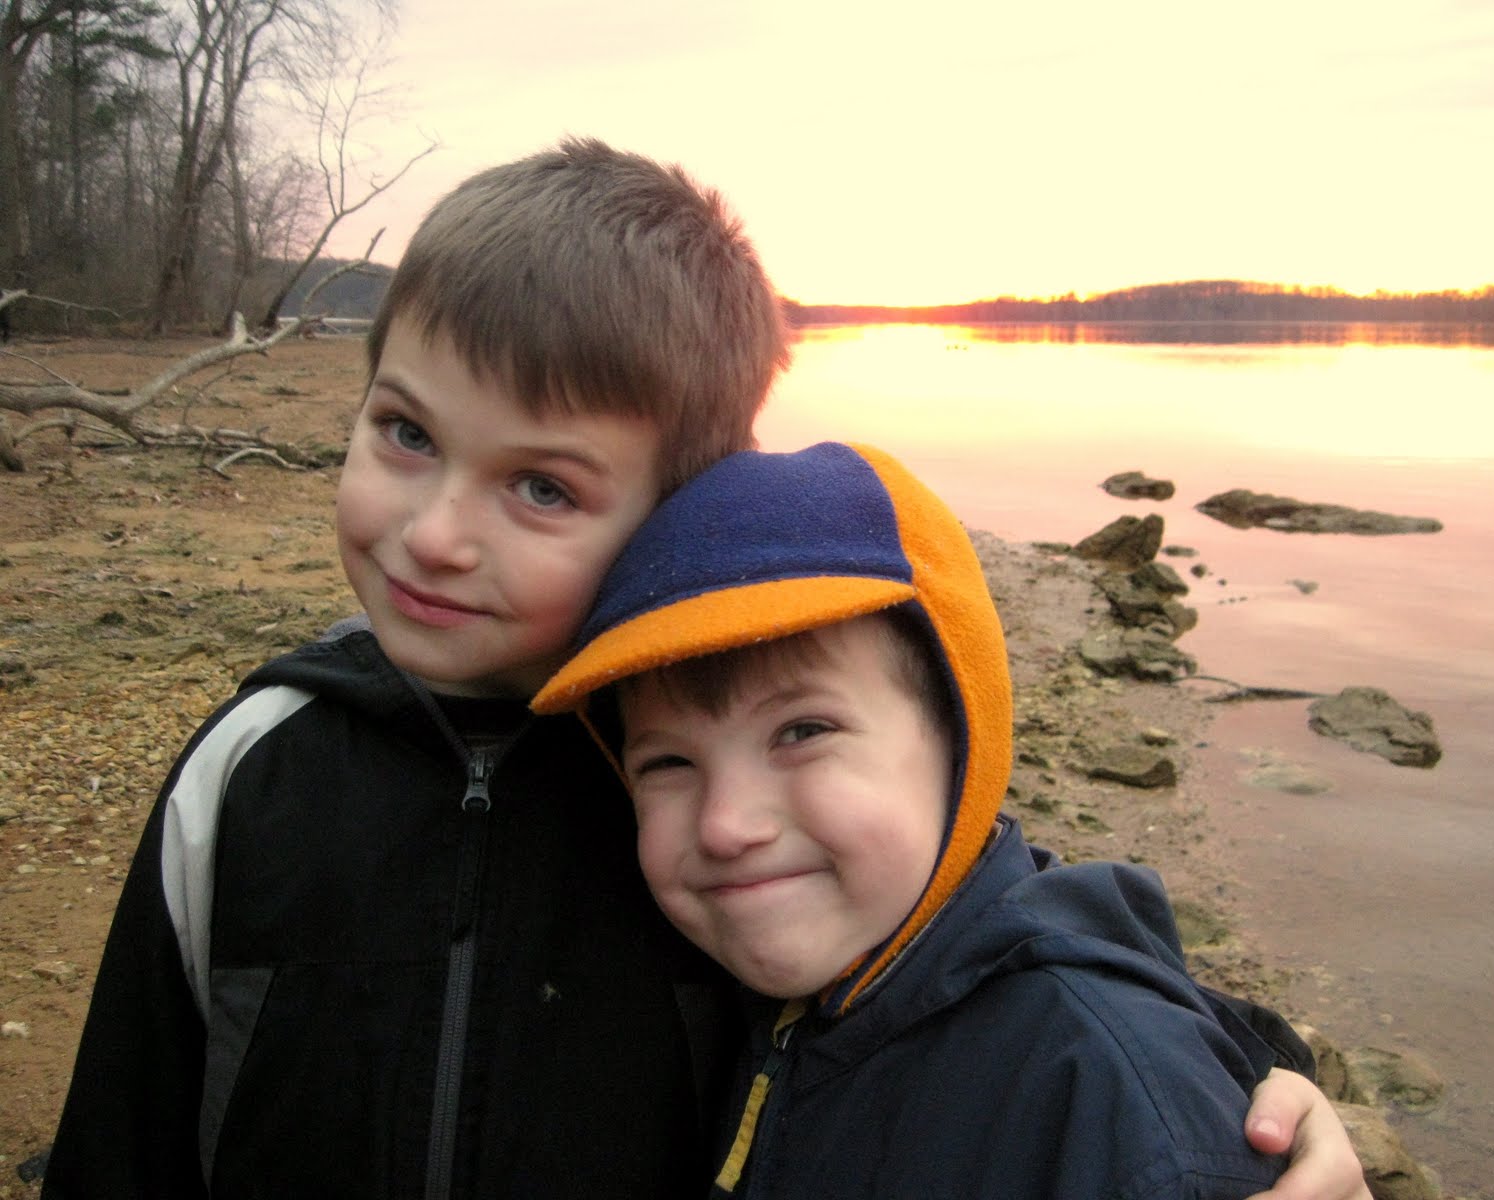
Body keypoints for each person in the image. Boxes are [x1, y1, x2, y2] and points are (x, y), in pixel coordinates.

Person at [43, 140, 1364, 1199]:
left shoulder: (686, 793)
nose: (436, 534)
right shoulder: (252, 765)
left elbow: (981, 935)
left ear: (674, 524)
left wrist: (1238, 1084)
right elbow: (127, 1120)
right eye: (404, 432)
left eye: (542, 488)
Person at [533, 440, 1362, 1199]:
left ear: (962, 739)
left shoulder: (1107, 1103)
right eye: (667, 764)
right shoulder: (750, 991)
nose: (724, 826)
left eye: (803, 731)